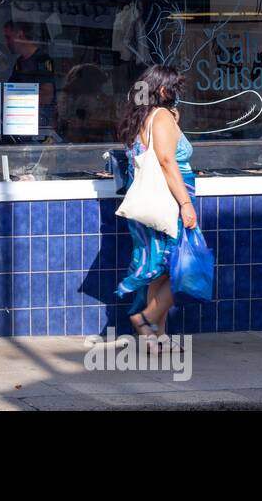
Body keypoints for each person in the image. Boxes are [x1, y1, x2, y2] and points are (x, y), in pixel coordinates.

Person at [112, 64, 196, 352]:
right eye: (175, 88)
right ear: (162, 90)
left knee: (159, 268)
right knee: (182, 267)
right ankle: (144, 319)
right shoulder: (160, 117)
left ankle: (155, 336)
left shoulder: (146, 116)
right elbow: (167, 162)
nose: (178, 94)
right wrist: (185, 203)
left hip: (153, 201)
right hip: (168, 201)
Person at [2, 19, 57, 139]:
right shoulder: (19, 62)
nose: (6, 42)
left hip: (36, 125)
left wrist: (20, 100)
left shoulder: (41, 60)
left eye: (8, 37)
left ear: (20, 35)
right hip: (19, 123)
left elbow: (47, 95)